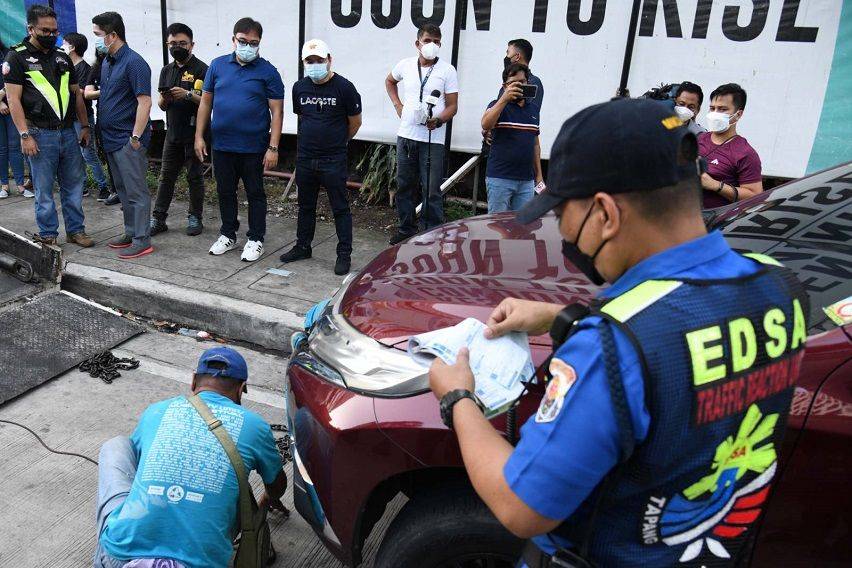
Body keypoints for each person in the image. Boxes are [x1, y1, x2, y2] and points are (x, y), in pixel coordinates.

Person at [428, 98, 808, 567]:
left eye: (563, 213)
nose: (564, 234)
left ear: (605, 214)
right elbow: (683, 329)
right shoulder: (780, 286)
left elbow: (521, 506)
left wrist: (457, 399)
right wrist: (560, 316)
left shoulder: (608, 351)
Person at [93, 346, 288, 568]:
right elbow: (277, 485)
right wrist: (266, 500)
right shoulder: (255, 425)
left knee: (115, 446)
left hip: (121, 559)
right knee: (239, 490)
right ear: (241, 388)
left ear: (193, 381)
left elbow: (139, 466)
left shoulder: (157, 410)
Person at [3, 4, 93, 247]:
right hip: (38, 134)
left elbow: (77, 95)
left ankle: (76, 230)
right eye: (45, 30)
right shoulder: (17, 56)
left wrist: (84, 126)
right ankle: (48, 234)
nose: (52, 35)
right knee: (44, 190)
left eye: (55, 31)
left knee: (74, 186)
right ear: (30, 28)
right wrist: (24, 135)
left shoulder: (62, 57)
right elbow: (12, 100)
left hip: (68, 132)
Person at [195, 18, 283, 263]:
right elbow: (206, 102)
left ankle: (256, 239)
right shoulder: (217, 66)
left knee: (255, 193)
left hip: (253, 148)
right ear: (233, 40)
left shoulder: (268, 72)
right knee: (225, 191)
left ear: (259, 44)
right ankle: (228, 234)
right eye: (242, 41)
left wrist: (273, 147)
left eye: (253, 43)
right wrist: (199, 136)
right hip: (222, 145)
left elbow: (277, 112)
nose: (247, 46)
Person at [278, 39, 362, 276]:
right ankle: (303, 246)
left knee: (340, 208)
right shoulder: (299, 87)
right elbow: (303, 117)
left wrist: (337, 142)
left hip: (333, 160)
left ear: (329, 60)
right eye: (310, 61)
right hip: (305, 158)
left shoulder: (344, 87)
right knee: (305, 205)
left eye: (319, 60)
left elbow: (355, 123)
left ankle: (344, 254)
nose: (315, 64)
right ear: (304, 63)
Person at [385, 23, 458, 244]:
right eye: (428, 41)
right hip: (406, 136)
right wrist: (398, 105)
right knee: (405, 185)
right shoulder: (405, 65)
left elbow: (453, 106)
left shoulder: (447, 70)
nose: (432, 45)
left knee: (431, 189)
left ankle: (431, 233)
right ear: (417, 43)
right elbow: (389, 81)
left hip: (432, 139)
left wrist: (439, 120)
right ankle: (406, 229)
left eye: (436, 41)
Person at [93, 11, 154, 259]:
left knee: (136, 191)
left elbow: (145, 102)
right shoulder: (108, 62)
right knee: (123, 190)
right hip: (110, 139)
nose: (96, 40)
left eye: (98, 35)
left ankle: (142, 239)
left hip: (127, 141)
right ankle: (131, 232)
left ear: (113, 35)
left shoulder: (134, 62)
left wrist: (136, 138)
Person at [151, 22, 208, 237]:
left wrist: (187, 95)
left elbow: (209, 102)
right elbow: (161, 104)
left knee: (195, 176)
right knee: (166, 177)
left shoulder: (203, 69)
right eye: (173, 43)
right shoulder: (166, 70)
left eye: (182, 43)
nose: (178, 47)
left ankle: (195, 217)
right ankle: (158, 218)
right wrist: (165, 99)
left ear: (192, 45)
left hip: (195, 133)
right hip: (172, 133)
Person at [481, 63, 541, 213]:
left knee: (522, 227)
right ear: (505, 85)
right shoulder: (496, 105)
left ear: (528, 82)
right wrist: (504, 99)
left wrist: (539, 176)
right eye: (513, 83)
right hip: (500, 178)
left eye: (522, 82)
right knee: (496, 226)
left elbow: (535, 145)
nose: (519, 86)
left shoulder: (533, 109)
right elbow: (486, 124)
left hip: (526, 181)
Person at [61, 32, 110, 200]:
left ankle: (103, 186)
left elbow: (81, 92)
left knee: (88, 153)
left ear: (73, 47)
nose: (62, 45)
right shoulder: (66, 66)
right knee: (76, 154)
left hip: (83, 118)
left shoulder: (84, 68)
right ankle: (82, 186)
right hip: (70, 118)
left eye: (65, 42)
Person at [698, 83, 762, 209]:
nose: (715, 114)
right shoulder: (699, 138)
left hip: (715, 224)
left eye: (722, 109)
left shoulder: (745, 154)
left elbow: (755, 196)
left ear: (738, 114)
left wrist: (715, 185)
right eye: (712, 108)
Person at [84, 51, 120, 205]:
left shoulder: (125, 64)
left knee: (124, 159)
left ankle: (127, 193)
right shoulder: (96, 69)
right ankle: (115, 190)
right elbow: (87, 93)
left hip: (122, 119)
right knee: (109, 156)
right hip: (103, 118)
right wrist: (104, 91)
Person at [0, 39, 30, 199]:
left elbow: (16, 78)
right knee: (1, 149)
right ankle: (4, 186)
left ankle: (20, 185)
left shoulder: (8, 55)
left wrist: (3, 95)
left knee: (14, 147)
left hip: (12, 106)